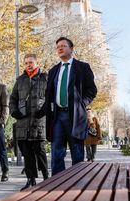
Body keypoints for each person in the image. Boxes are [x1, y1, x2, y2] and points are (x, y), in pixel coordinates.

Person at [36, 37, 97, 175]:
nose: (60, 48)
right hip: (57, 117)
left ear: (71, 49)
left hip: (75, 116)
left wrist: (82, 104)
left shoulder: (82, 67)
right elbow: (49, 95)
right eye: (58, 46)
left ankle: (78, 181)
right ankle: (57, 183)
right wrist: (40, 112)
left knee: (77, 152)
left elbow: (92, 90)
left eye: (63, 45)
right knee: (57, 153)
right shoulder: (53, 71)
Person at [10, 54, 49, 190]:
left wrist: (45, 110)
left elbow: (50, 97)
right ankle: (30, 179)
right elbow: (13, 98)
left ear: (36, 63)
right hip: (23, 122)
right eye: (26, 63)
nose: (28, 65)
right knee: (27, 153)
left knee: (40, 151)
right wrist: (14, 111)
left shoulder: (45, 78)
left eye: (31, 62)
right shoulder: (20, 80)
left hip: (39, 121)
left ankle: (46, 178)